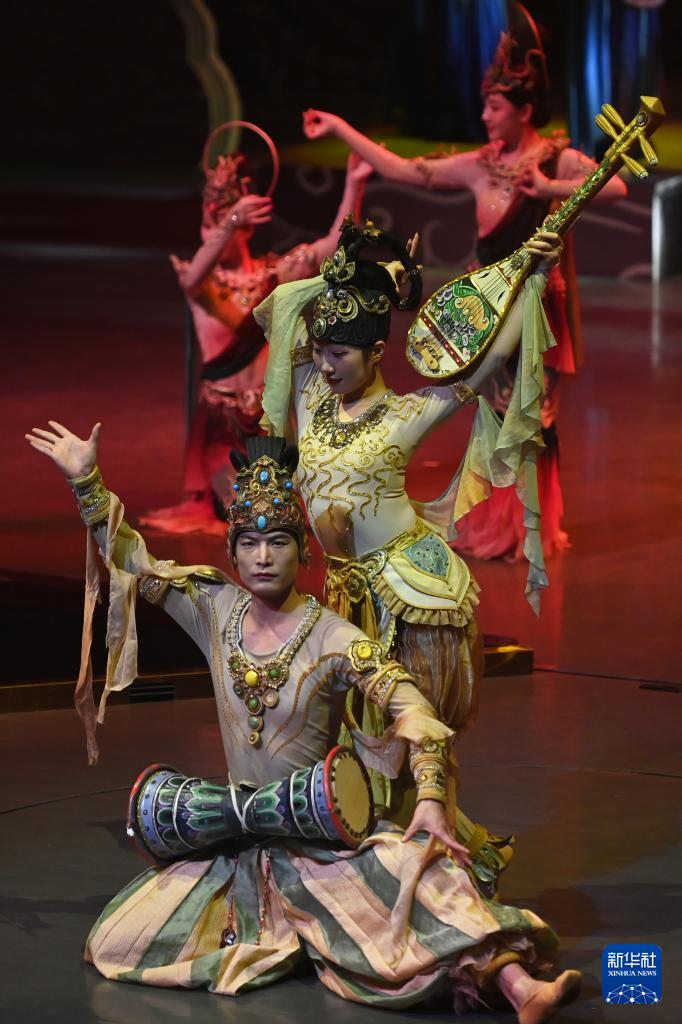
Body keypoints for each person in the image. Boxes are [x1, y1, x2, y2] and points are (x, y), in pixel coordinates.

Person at [25, 425, 581, 1021]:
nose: (263, 557)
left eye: (279, 542)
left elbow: (412, 709)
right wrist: (86, 480)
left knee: (420, 872)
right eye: (250, 542)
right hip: (236, 844)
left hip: (321, 848)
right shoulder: (213, 609)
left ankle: (522, 989)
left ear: (303, 551)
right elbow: (133, 559)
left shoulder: (334, 638)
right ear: (233, 551)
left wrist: (430, 797)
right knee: (118, 938)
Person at [253, 218, 562, 881]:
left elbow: (484, 364)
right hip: (342, 593)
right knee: (351, 738)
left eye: (341, 354)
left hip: (406, 596)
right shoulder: (310, 393)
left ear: (375, 353)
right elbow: (281, 307)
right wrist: (362, 274)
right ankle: (377, 848)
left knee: (406, 736)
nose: (326, 364)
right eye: (321, 350)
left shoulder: (407, 413)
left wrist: (534, 279)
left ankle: (442, 855)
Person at [301, 28, 627, 559]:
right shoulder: (482, 164)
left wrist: (549, 190)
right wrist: (339, 127)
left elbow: (615, 186)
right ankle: (498, 526)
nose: (484, 116)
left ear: (524, 110)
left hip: (537, 308)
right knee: (494, 413)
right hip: (485, 312)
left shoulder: (557, 161)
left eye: (494, 106)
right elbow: (406, 170)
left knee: (533, 417)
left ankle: (531, 530)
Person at [141, 129, 372, 535]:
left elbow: (332, 246)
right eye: (208, 221)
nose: (210, 230)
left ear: (249, 227)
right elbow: (192, 276)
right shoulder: (202, 282)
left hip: (267, 421)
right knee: (250, 511)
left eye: (219, 219)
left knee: (289, 510)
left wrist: (354, 185)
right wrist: (229, 221)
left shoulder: (273, 275)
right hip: (221, 428)